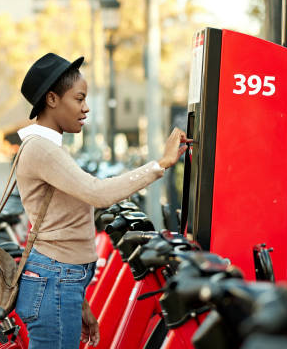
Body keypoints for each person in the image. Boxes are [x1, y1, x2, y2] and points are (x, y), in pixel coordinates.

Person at [15, 53, 190, 348]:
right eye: (79, 99)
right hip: (55, 281)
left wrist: (78, 297)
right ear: (52, 99)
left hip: (60, 281)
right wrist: (160, 164)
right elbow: (97, 193)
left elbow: (61, 225)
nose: (85, 108)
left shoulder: (47, 146)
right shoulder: (41, 149)